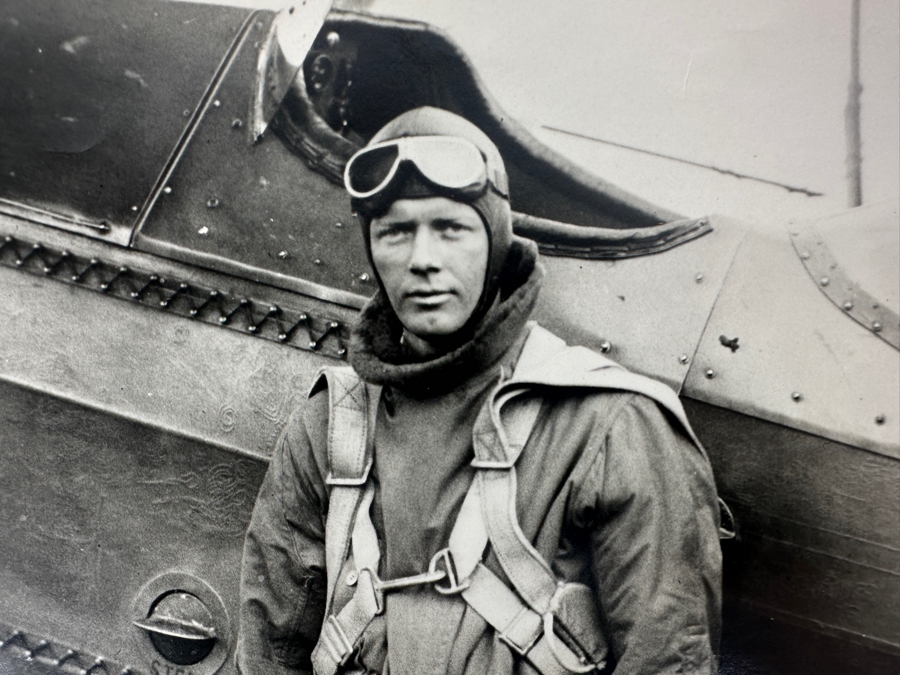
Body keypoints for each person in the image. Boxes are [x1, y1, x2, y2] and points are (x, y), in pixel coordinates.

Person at [236, 106, 722, 675]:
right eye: (395, 232)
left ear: (494, 242)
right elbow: (269, 651)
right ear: (371, 249)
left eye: (451, 229)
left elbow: (666, 660)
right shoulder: (331, 424)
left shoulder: (612, 425)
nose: (423, 260)